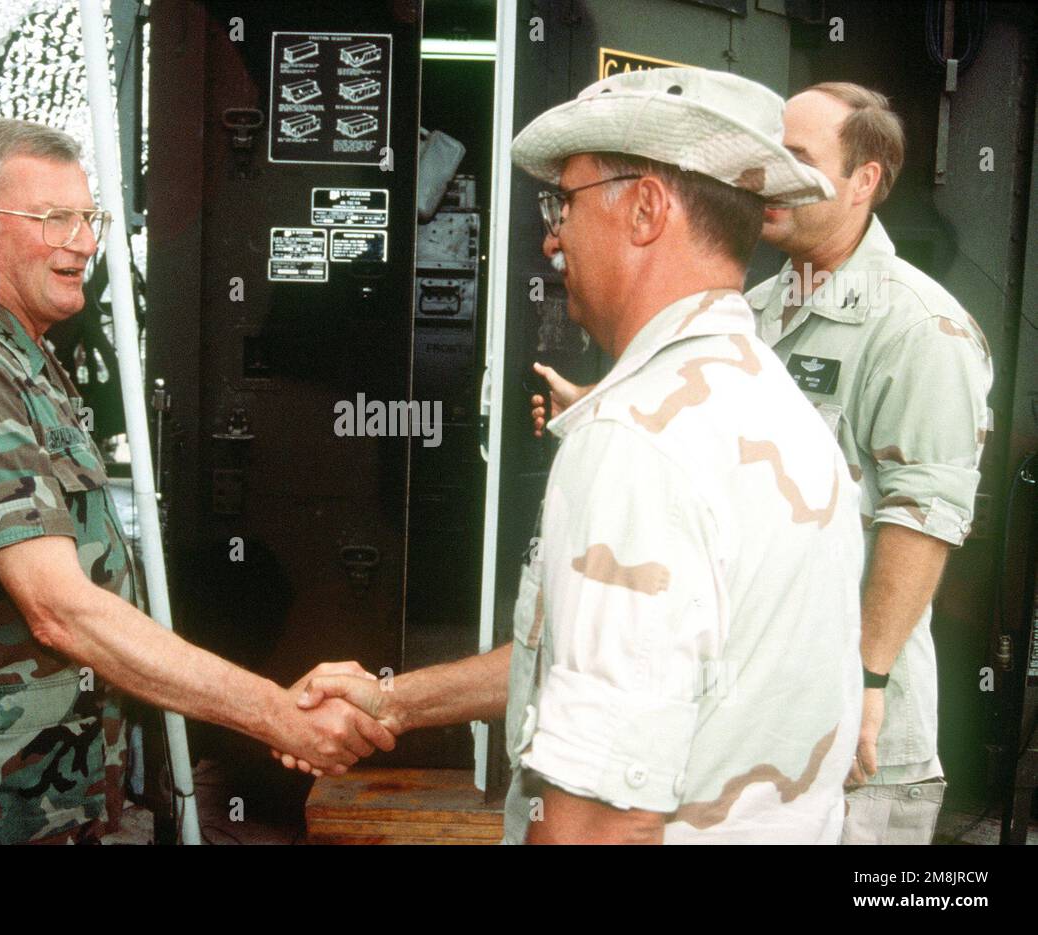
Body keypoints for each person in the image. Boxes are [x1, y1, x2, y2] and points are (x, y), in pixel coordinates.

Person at [288, 68, 866, 844]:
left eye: (564, 202)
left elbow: (601, 821)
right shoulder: (778, 406)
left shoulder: (634, 444)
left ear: (647, 209)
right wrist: (397, 701)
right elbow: (615, 655)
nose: (551, 236)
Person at [0, 117, 393, 844]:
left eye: (89, 218)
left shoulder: (19, 356)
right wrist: (273, 711)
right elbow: (59, 607)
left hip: (46, 777)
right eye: (55, 219)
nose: (85, 243)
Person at [532, 83, 994, 845]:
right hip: (748, 715)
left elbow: (924, 520)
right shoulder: (761, 302)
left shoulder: (920, 326)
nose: (766, 171)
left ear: (863, 181)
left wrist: (869, 683)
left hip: (854, 734)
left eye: (798, 158)